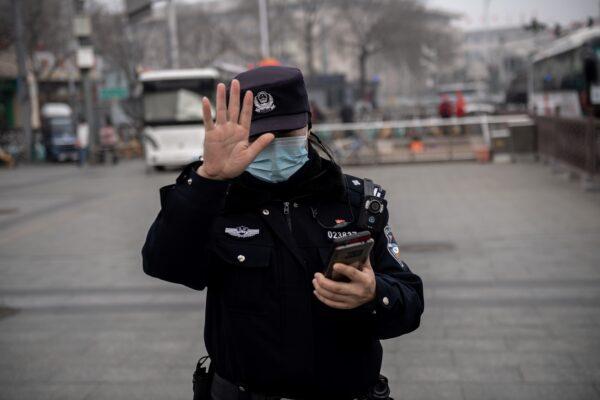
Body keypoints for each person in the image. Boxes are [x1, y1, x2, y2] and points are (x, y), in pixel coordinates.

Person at [142, 66, 424, 400]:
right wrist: (207, 180)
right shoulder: (216, 202)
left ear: (308, 124)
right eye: (258, 137)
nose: (271, 146)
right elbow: (164, 264)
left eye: (284, 132)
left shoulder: (356, 202)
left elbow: (410, 303)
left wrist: (375, 293)